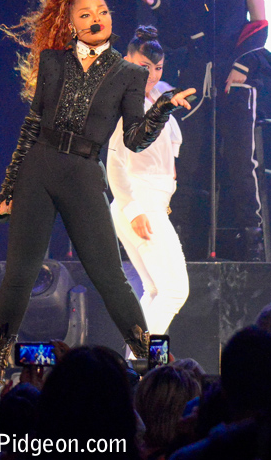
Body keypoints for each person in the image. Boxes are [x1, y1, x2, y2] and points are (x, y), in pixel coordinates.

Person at [0, 0, 195, 401]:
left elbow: (134, 138)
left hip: (82, 174)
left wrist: (163, 107)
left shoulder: (130, 74)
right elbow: (32, 128)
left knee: (111, 277)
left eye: (103, 11)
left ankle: (145, 371)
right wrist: (8, 189)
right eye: (85, 14)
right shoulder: (54, 63)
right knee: (18, 276)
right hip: (40, 168)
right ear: (71, 24)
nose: (97, 18)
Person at [139, 0, 271, 260]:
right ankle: (176, 234)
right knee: (186, 156)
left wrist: (243, 66)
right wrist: (155, 6)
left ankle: (253, 240)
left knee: (242, 161)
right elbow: (175, 35)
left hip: (236, 75)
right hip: (197, 76)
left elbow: (260, 24)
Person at [107, 25, 189, 336]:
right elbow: (113, 163)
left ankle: (135, 364)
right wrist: (134, 209)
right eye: (144, 67)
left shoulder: (154, 96)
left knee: (155, 291)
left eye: (158, 68)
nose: (152, 75)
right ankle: (143, 365)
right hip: (137, 203)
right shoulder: (123, 103)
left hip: (148, 202)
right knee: (173, 292)